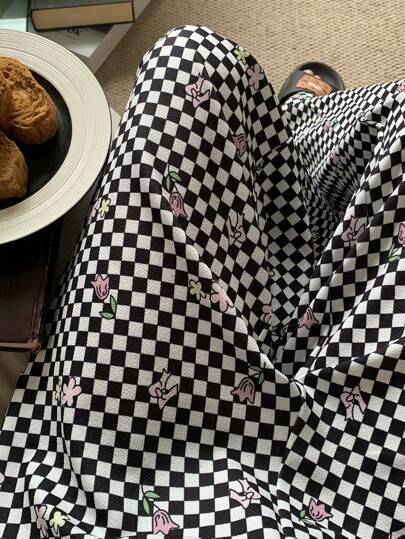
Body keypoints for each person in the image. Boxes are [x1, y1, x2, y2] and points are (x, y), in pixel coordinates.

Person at [0, 25, 404, 539]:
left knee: (189, 60)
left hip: (105, 476)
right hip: (357, 482)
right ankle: (302, 137)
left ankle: (298, 139)